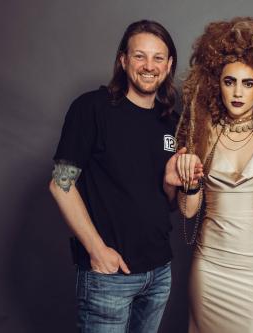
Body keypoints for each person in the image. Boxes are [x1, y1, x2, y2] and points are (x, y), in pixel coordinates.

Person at [49, 20, 201, 333]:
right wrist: (96, 250)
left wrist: (172, 182)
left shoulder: (170, 123)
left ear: (169, 64)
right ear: (123, 60)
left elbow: (169, 205)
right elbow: (60, 185)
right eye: (139, 56)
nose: (149, 66)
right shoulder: (92, 108)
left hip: (158, 273)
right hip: (109, 276)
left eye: (158, 58)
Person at [172, 17, 253, 333]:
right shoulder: (203, 132)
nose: (237, 93)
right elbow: (188, 211)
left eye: (248, 83)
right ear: (216, 83)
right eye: (229, 81)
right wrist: (189, 184)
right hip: (210, 266)